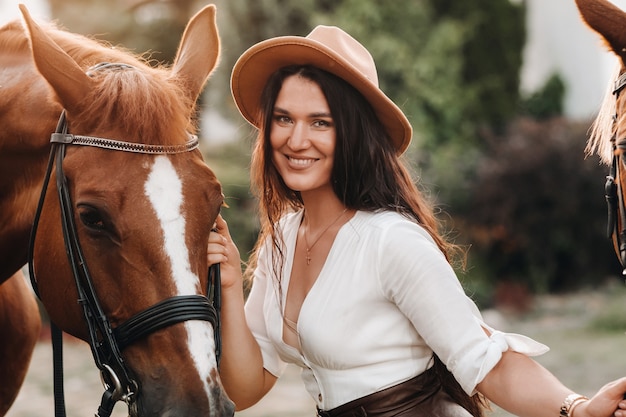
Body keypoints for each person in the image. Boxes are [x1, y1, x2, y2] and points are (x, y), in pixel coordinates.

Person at [207, 25, 626, 417]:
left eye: (321, 122)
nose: (296, 140)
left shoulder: (390, 241)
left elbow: (485, 363)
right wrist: (227, 282)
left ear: (353, 133)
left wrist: (577, 409)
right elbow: (245, 388)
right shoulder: (282, 238)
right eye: (284, 118)